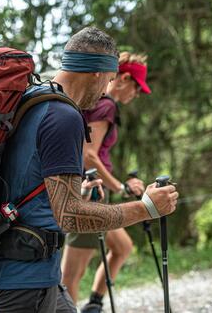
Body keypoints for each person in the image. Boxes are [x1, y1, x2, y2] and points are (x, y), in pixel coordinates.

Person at [0, 27, 178, 313]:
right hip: (25, 277)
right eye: (108, 80)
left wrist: (76, 190)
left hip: (25, 266)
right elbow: (70, 216)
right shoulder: (63, 116)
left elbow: (27, 176)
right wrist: (147, 208)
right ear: (97, 72)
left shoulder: (34, 98)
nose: (104, 93)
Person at [61, 52, 152, 312]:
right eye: (137, 87)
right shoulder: (107, 104)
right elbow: (88, 154)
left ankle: (94, 304)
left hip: (95, 189)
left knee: (122, 247)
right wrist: (120, 187)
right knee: (71, 275)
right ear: (124, 78)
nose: (136, 95)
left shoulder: (96, 101)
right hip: (91, 192)